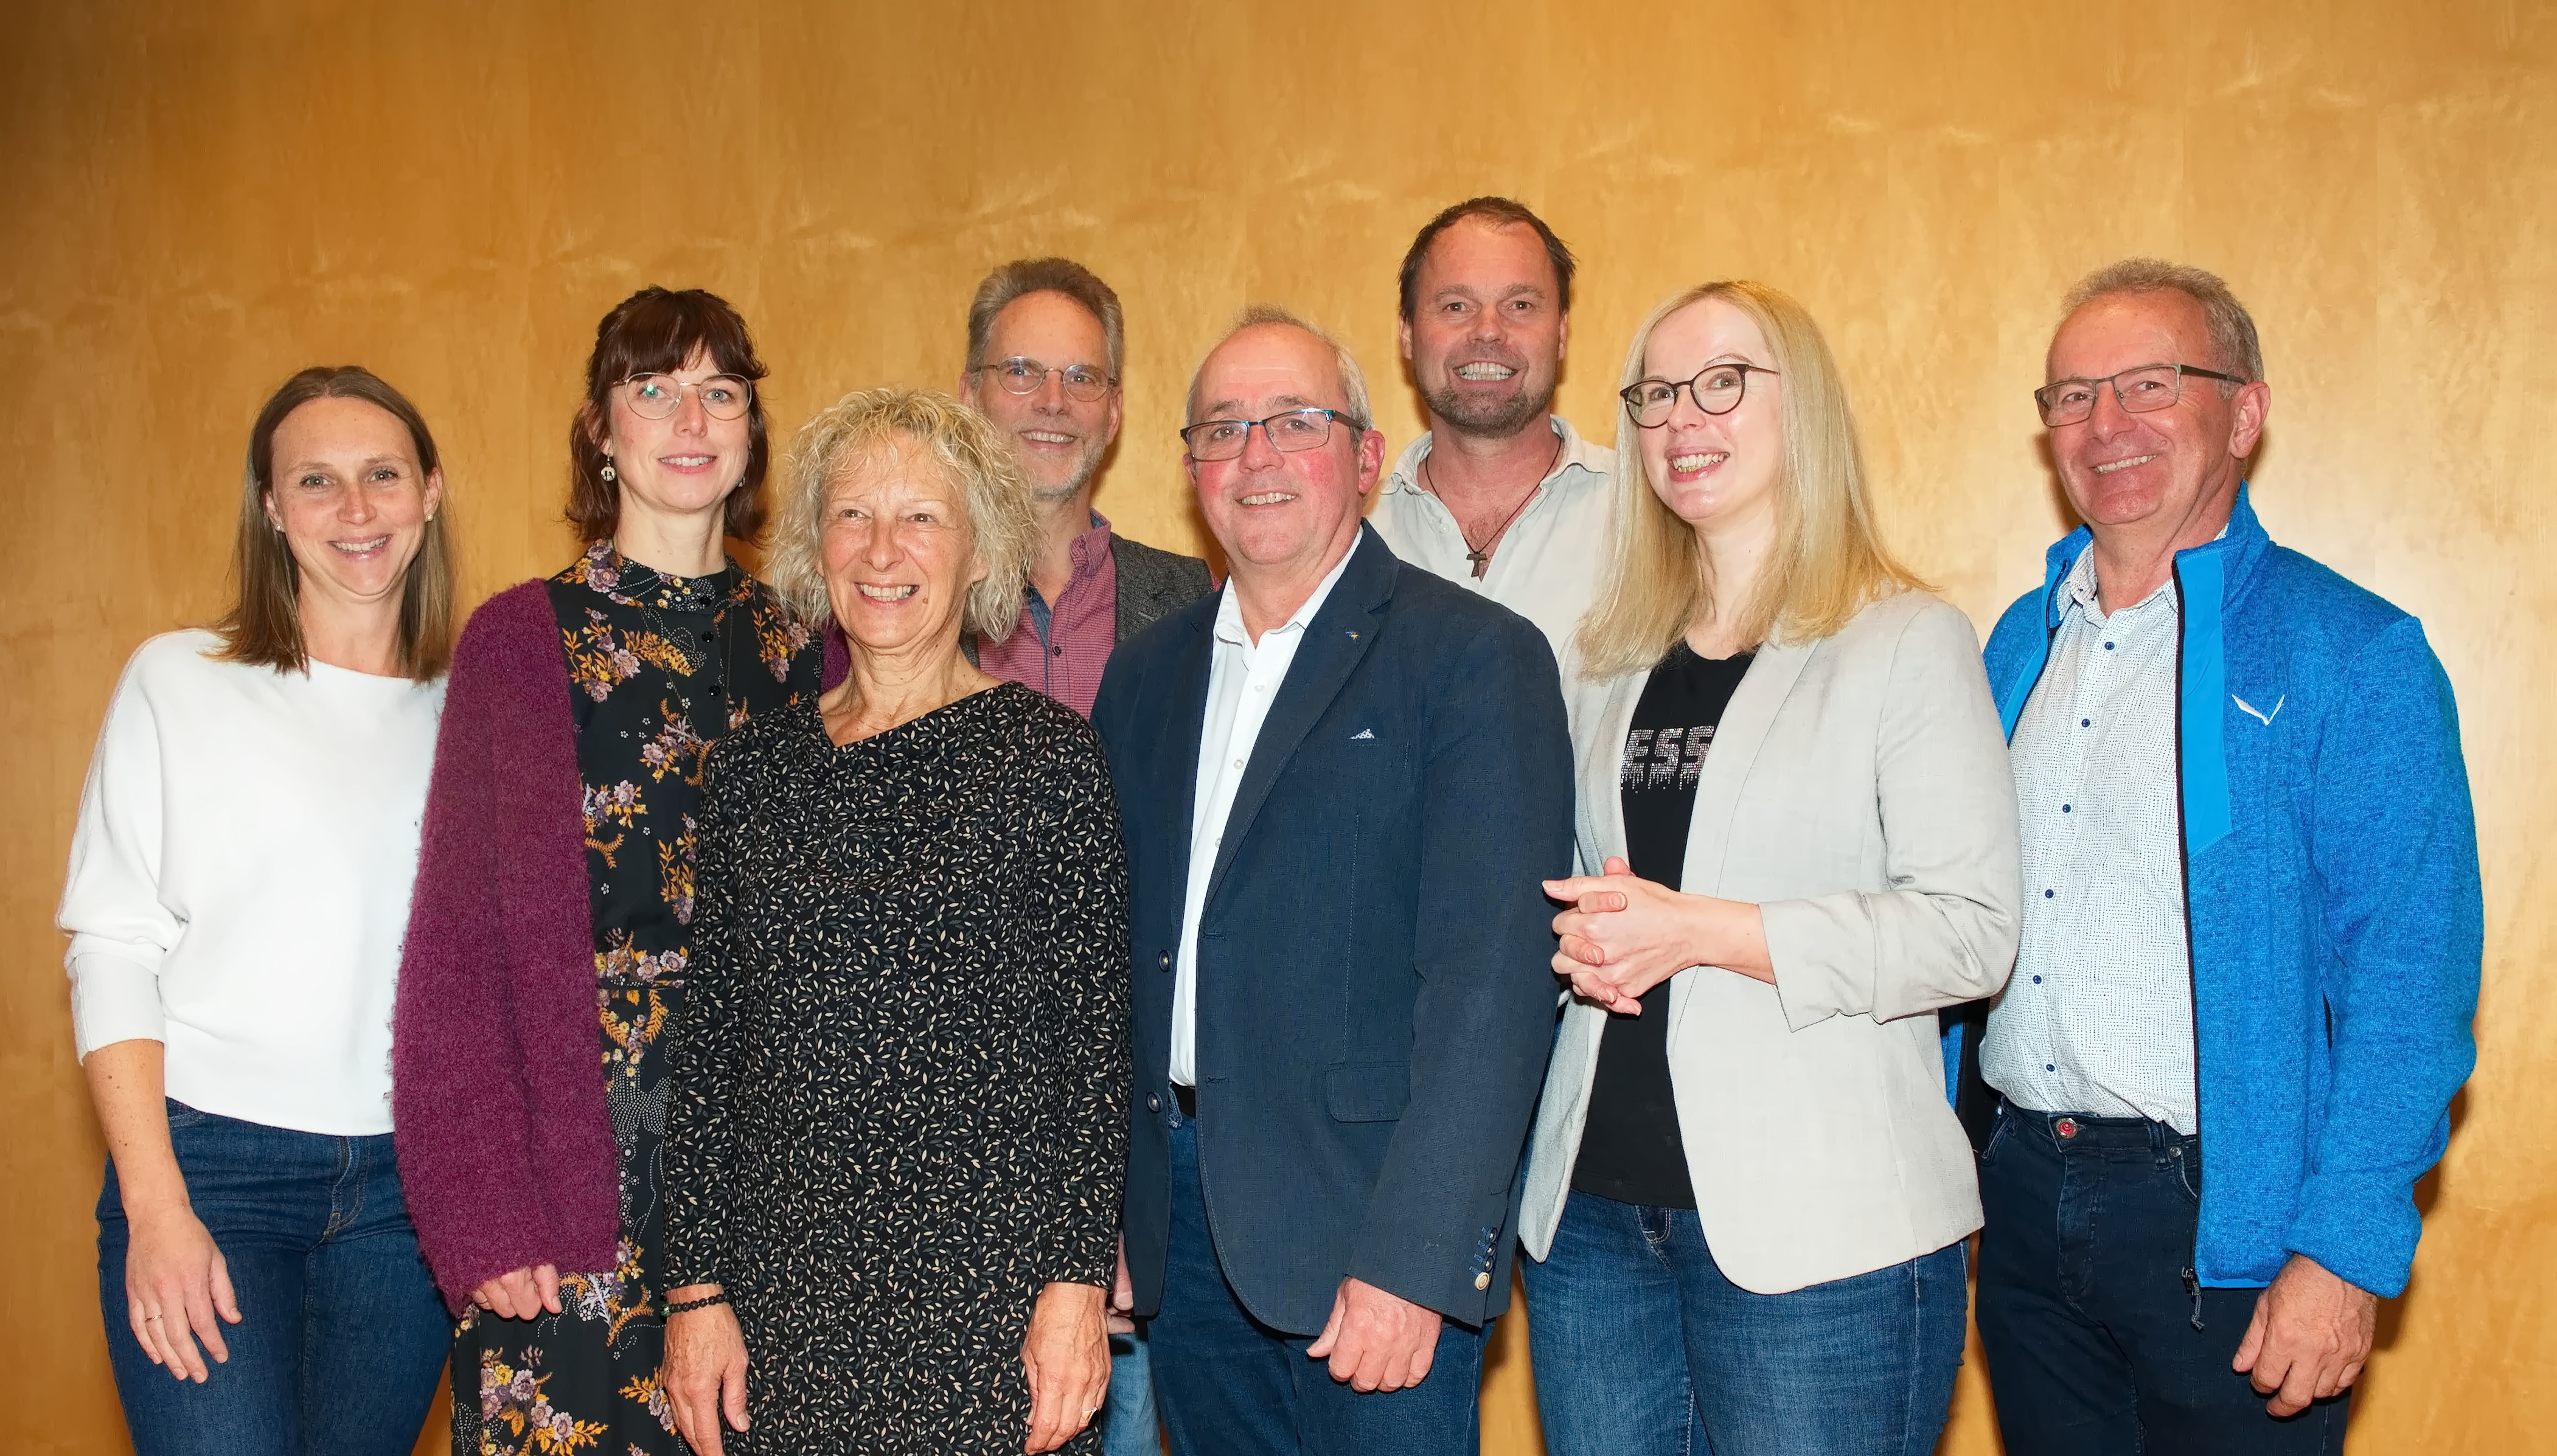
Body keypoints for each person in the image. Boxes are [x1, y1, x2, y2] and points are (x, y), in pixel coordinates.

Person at [1955, 259, 2482, 1454]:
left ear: (2242, 412)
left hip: (2227, 1228)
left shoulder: (2352, 654)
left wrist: (2342, 1251)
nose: (2106, 425)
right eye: (2072, 396)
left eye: (2149, 384)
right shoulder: (2009, 650)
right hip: (2023, 1202)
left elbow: (2410, 977)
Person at [1517, 280, 2020, 1456]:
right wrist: (1578, 943)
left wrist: (1705, 929)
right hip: (1593, 1222)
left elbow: (1971, 932)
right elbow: (1599, 892)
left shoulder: (1904, 639)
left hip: (1822, 1236)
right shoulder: (1605, 656)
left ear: (1807, 408)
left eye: (1723, 382)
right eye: (1653, 394)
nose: (1682, 419)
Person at [1090, 306, 1572, 1456]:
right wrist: (1102, 1212)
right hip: (1182, 1231)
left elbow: (1491, 987)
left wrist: (1414, 1256)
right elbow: (1108, 965)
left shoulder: (1471, 658)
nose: (1254, 456)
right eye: (1222, 428)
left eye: (1292, 422)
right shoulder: (1144, 679)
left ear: (1363, 455)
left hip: (1368, 1224)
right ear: (1190, 465)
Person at [656, 387, 1129, 1455]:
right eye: (851, 515)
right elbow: (713, 1048)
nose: (881, 547)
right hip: (781, 1303)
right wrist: (693, 1292)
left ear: (978, 551)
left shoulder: (1049, 759)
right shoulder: (752, 769)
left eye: (920, 515)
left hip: (992, 1303)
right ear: (812, 544)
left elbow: (1095, 1053)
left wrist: (1073, 1284)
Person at [391, 287, 821, 1456]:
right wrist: (479, 1206)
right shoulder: (517, 641)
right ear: (601, 427)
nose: (690, 417)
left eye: (719, 390)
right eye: (653, 388)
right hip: (569, 1180)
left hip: (770, 1183)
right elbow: (455, 951)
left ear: (749, 427)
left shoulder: (809, 648)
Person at [58, 366, 457, 1452]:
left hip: (404, 1202)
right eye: (317, 481)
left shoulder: (470, 711)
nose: (357, 508)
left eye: (382, 474)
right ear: (272, 508)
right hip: (211, 1174)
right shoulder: (178, 679)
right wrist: (156, 1204)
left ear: (429, 492)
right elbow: (111, 946)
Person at [951, 256, 1214, 719]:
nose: (1053, 402)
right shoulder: (914, 596)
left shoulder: (1197, 603)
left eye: (1081, 378)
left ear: (1113, 413)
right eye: (1020, 371)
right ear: (970, 398)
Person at [1368, 197, 1613, 663]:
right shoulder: (1349, 539)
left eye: (1519, 305)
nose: (1487, 331)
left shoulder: (1650, 519)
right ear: (1406, 332)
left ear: (1561, 333)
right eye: (1456, 305)